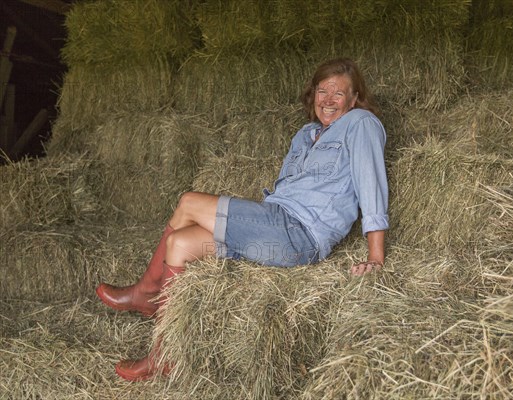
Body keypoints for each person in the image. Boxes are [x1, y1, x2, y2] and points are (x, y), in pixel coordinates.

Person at [95, 57, 389, 381]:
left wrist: (375, 257)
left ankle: (146, 293)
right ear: (313, 95)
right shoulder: (305, 135)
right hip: (274, 226)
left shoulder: (362, 123)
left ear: (354, 98)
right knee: (178, 244)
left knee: (189, 203)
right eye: (323, 91)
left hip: (299, 233)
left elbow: (371, 184)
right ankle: (164, 354)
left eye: (339, 93)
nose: (329, 100)